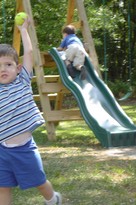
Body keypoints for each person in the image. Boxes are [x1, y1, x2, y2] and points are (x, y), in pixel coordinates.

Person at [0, 16, 62, 205]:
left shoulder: (23, 81)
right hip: (2, 150)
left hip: (25, 148)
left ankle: (53, 199)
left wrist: (24, 30)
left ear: (18, 68)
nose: (3, 69)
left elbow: (29, 52)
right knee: (2, 187)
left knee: (39, 182)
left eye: (8, 64)